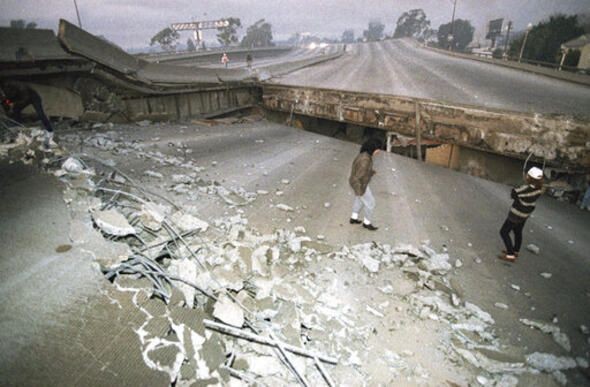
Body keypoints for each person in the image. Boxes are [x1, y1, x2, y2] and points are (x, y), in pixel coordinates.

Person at [499, 166, 544, 262]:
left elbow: (513, 194)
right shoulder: (539, 189)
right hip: (525, 215)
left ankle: (510, 255)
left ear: (529, 178)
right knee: (518, 232)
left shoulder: (525, 189)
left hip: (516, 214)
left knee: (504, 232)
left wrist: (521, 185)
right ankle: (515, 251)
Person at [0, 80, 54, 148]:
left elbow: (24, 98)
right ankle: (17, 126)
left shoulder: (19, 86)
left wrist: (14, 103)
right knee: (16, 110)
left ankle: (49, 130)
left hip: (33, 97)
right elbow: (6, 101)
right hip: (20, 98)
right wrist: (8, 106)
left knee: (40, 113)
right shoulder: (4, 90)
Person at [349, 138, 382, 231]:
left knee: (359, 200)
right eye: (378, 149)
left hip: (360, 183)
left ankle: (354, 217)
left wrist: (370, 172)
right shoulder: (365, 160)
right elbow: (357, 177)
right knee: (371, 203)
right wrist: (359, 190)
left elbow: (361, 171)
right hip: (360, 184)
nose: (378, 152)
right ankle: (367, 223)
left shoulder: (364, 155)